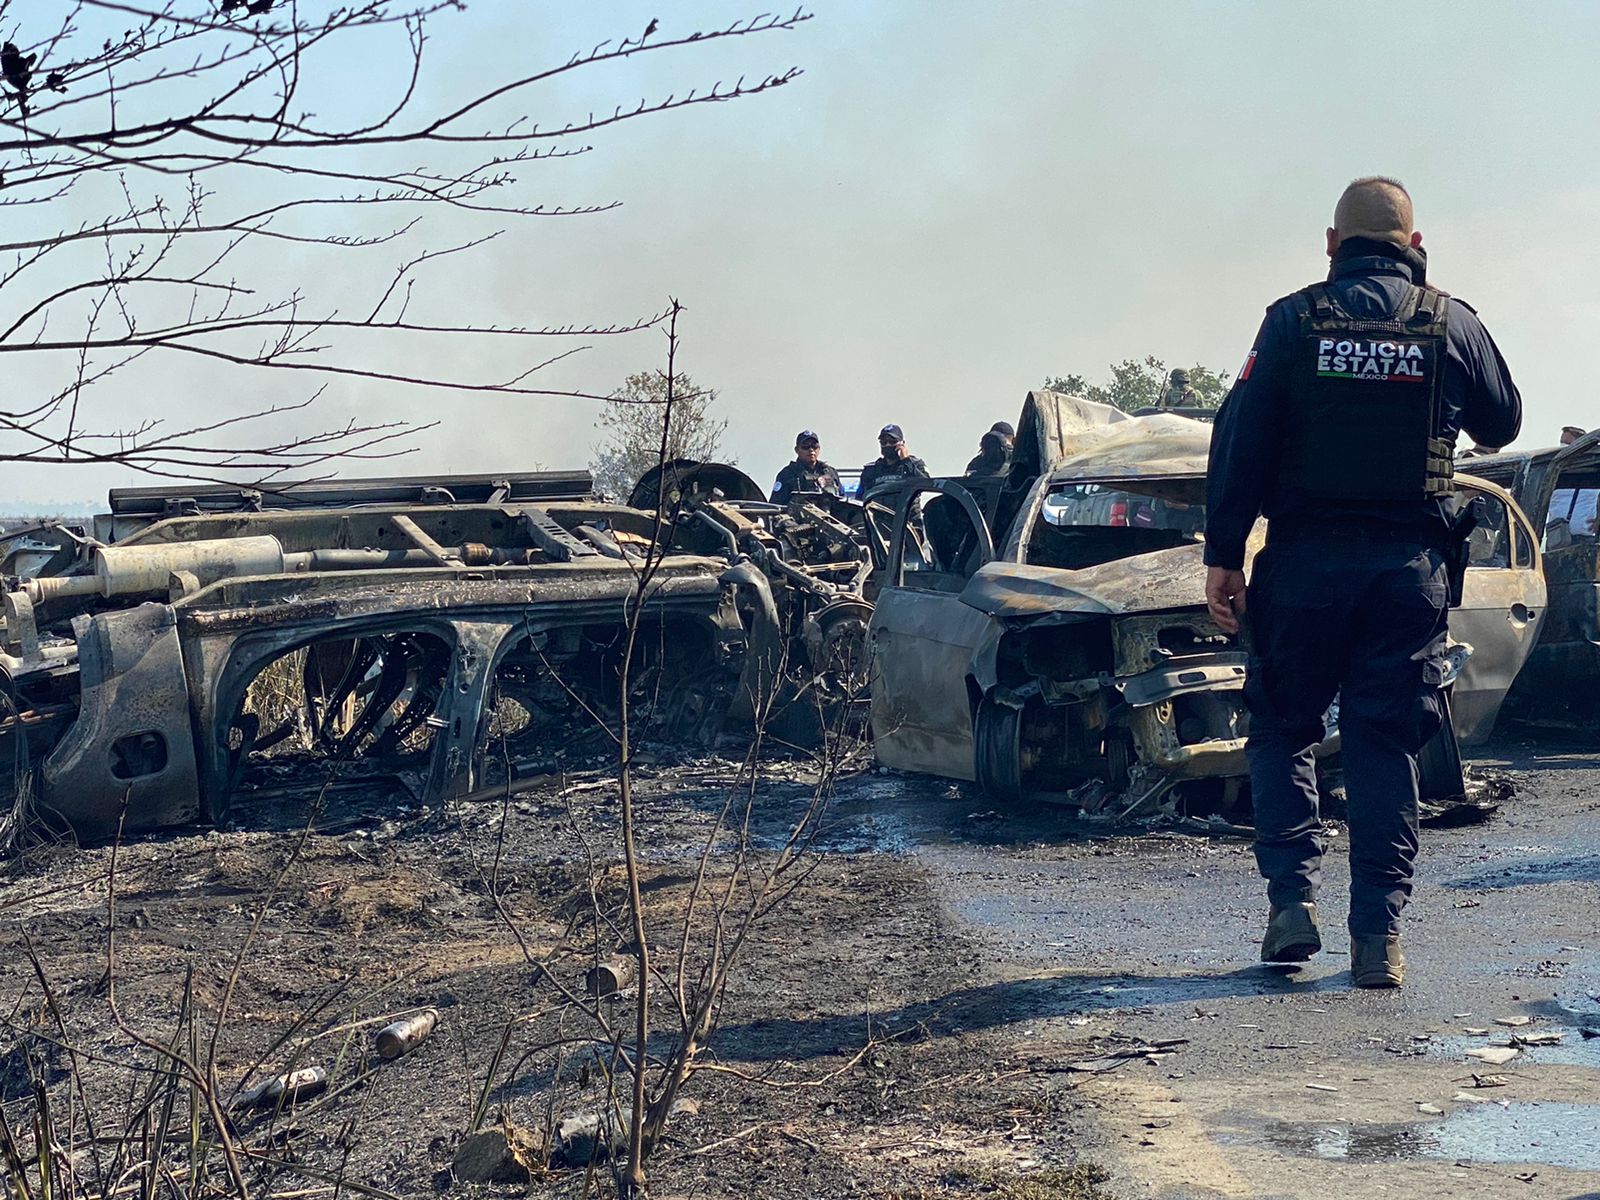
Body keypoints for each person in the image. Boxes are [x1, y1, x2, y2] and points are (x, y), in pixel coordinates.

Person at [1203, 177, 1521, 988]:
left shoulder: (1291, 321)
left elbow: (1239, 439)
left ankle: (1291, 903)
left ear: (1332, 245)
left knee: (1285, 728)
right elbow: (1504, 422)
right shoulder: (1450, 320)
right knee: (1384, 742)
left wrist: (1224, 554)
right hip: (1406, 575)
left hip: (1303, 568)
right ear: (1414, 245)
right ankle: (1378, 937)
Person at [770, 430, 841, 503]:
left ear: (819, 448)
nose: (811, 450)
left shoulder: (830, 472)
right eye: (805, 446)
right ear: (797, 450)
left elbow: (842, 499)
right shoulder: (787, 474)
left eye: (814, 446)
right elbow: (775, 504)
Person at [859, 424, 928, 494]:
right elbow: (860, 496)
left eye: (892, 442)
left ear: (902, 443)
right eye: (884, 442)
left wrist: (906, 461)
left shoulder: (916, 464)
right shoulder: (871, 469)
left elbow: (927, 484)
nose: (888, 445)